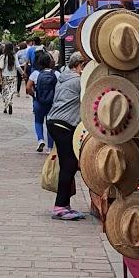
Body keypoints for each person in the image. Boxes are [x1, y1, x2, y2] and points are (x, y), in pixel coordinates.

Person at [46, 52, 86, 219]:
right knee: (69, 165)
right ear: (79, 65)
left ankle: (65, 204)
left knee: (67, 164)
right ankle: (60, 207)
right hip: (65, 124)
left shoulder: (64, 77)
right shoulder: (78, 81)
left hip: (55, 122)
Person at [27, 50, 58, 154]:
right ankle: (50, 148)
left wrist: (34, 95)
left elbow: (28, 88)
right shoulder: (56, 74)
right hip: (52, 103)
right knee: (50, 124)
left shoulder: (35, 74)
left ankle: (40, 139)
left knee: (38, 121)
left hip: (39, 102)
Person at [0, 41, 17, 115]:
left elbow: (1, 67)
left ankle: (5, 106)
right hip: (13, 76)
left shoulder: (3, 56)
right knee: (11, 91)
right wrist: (23, 73)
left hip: (5, 76)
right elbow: (18, 66)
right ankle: (10, 102)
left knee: (6, 91)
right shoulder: (15, 55)